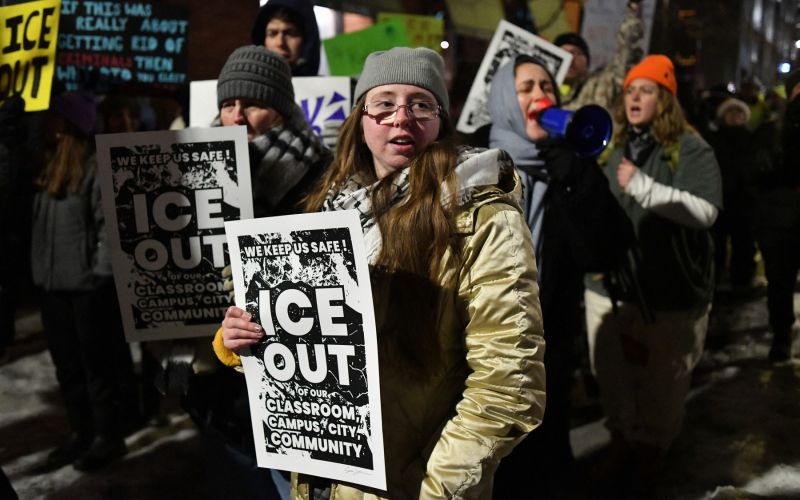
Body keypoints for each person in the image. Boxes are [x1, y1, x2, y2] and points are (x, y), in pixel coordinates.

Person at [214, 47, 546, 498]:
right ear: (361, 117)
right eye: (384, 103)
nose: (401, 117)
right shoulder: (327, 209)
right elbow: (303, 358)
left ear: (441, 120)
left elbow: (509, 385)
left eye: (421, 104)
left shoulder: (482, 218)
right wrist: (243, 341)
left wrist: (436, 491)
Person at [177, 45, 329, 500]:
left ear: (281, 111)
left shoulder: (321, 174)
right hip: (217, 380)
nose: (238, 116)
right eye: (228, 104)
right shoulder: (188, 170)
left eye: (254, 104)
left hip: (287, 379)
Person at [486, 55, 634, 499]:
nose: (539, 96)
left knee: (547, 462)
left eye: (546, 86)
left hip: (549, 343)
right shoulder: (477, 163)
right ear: (505, 100)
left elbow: (605, 249)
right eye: (526, 87)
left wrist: (574, 175)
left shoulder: (570, 164)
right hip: (487, 348)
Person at [583, 55, 722, 497]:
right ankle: (621, 444)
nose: (634, 97)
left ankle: (651, 455)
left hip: (670, 292)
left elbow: (705, 211)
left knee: (663, 382)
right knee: (613, 375)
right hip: (611, 286)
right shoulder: (614, 144)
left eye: (646, 89)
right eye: (629, 90)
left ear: (665, 98)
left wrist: (643, 186)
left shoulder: (690, 146)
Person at [30, 90, 135, 472]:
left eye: (55, 117)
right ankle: (82, 433)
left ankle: (108, 437)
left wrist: (98, 278)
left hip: (86, 289)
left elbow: (110, 230)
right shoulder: (47, 167)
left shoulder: (93, 170)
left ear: (69, 124)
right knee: (68, 367)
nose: (48, 124)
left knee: (97, 368)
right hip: (52, 288)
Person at [752, 69, 800, 362]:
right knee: (780, 282)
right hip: (780, 220)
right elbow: (757, 169)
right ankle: (781, 335)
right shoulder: (771, 130)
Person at [554, 0, 644, 112]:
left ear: (587, 61)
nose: (571, 59)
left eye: (577, 53)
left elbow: (626, 53)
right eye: (565, 53)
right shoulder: (540, 88)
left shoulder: (599, 87)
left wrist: (633, 10)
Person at [706, 98, 757, 290]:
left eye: (739, 113)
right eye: (731, 112)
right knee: (717, 244)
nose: (735, 116)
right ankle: (715, 279)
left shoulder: (752, 139)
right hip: (720, 199)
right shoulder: (714, 140)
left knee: (743, 244)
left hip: (744, 201)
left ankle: (742, 281)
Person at [251, 0, 320, 76]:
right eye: (272, 34)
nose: (280, 43)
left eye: (290, 34)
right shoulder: (248, 85)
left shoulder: (327, 86)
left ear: (307, 41)